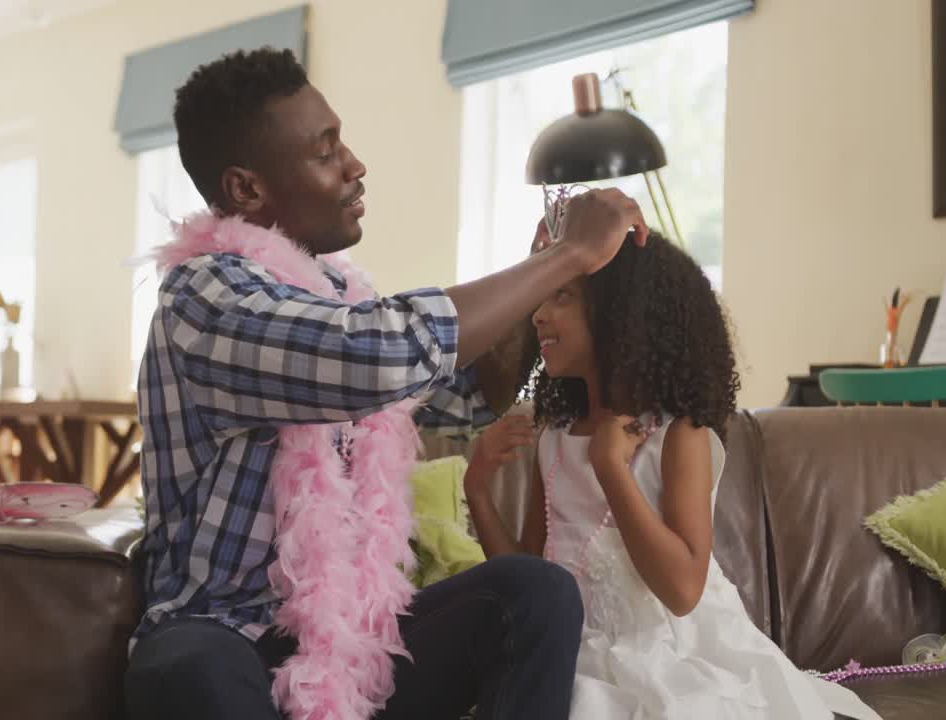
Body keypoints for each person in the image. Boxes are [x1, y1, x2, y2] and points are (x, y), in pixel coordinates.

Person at [124, 46, 649, 720]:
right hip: (222, 634)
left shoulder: (336, 292)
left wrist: (544, 266)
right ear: (246, 189)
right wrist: (567, 256)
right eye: (325, 150)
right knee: (190, 669)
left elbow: (466, 393)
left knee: (533, 593)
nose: (355, 165)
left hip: (346, 645)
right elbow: (377, 356)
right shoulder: (204, 294)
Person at [464, 232, 882, 719]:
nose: (539, 313)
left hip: (673, 651)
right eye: (543, 294)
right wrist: (477, 488)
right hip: (574, 653)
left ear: (623, 316)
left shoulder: (677, 435)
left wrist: (610, 469)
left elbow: (682, 590)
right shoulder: (554, 437)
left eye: (563, 296)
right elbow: (529, 577)